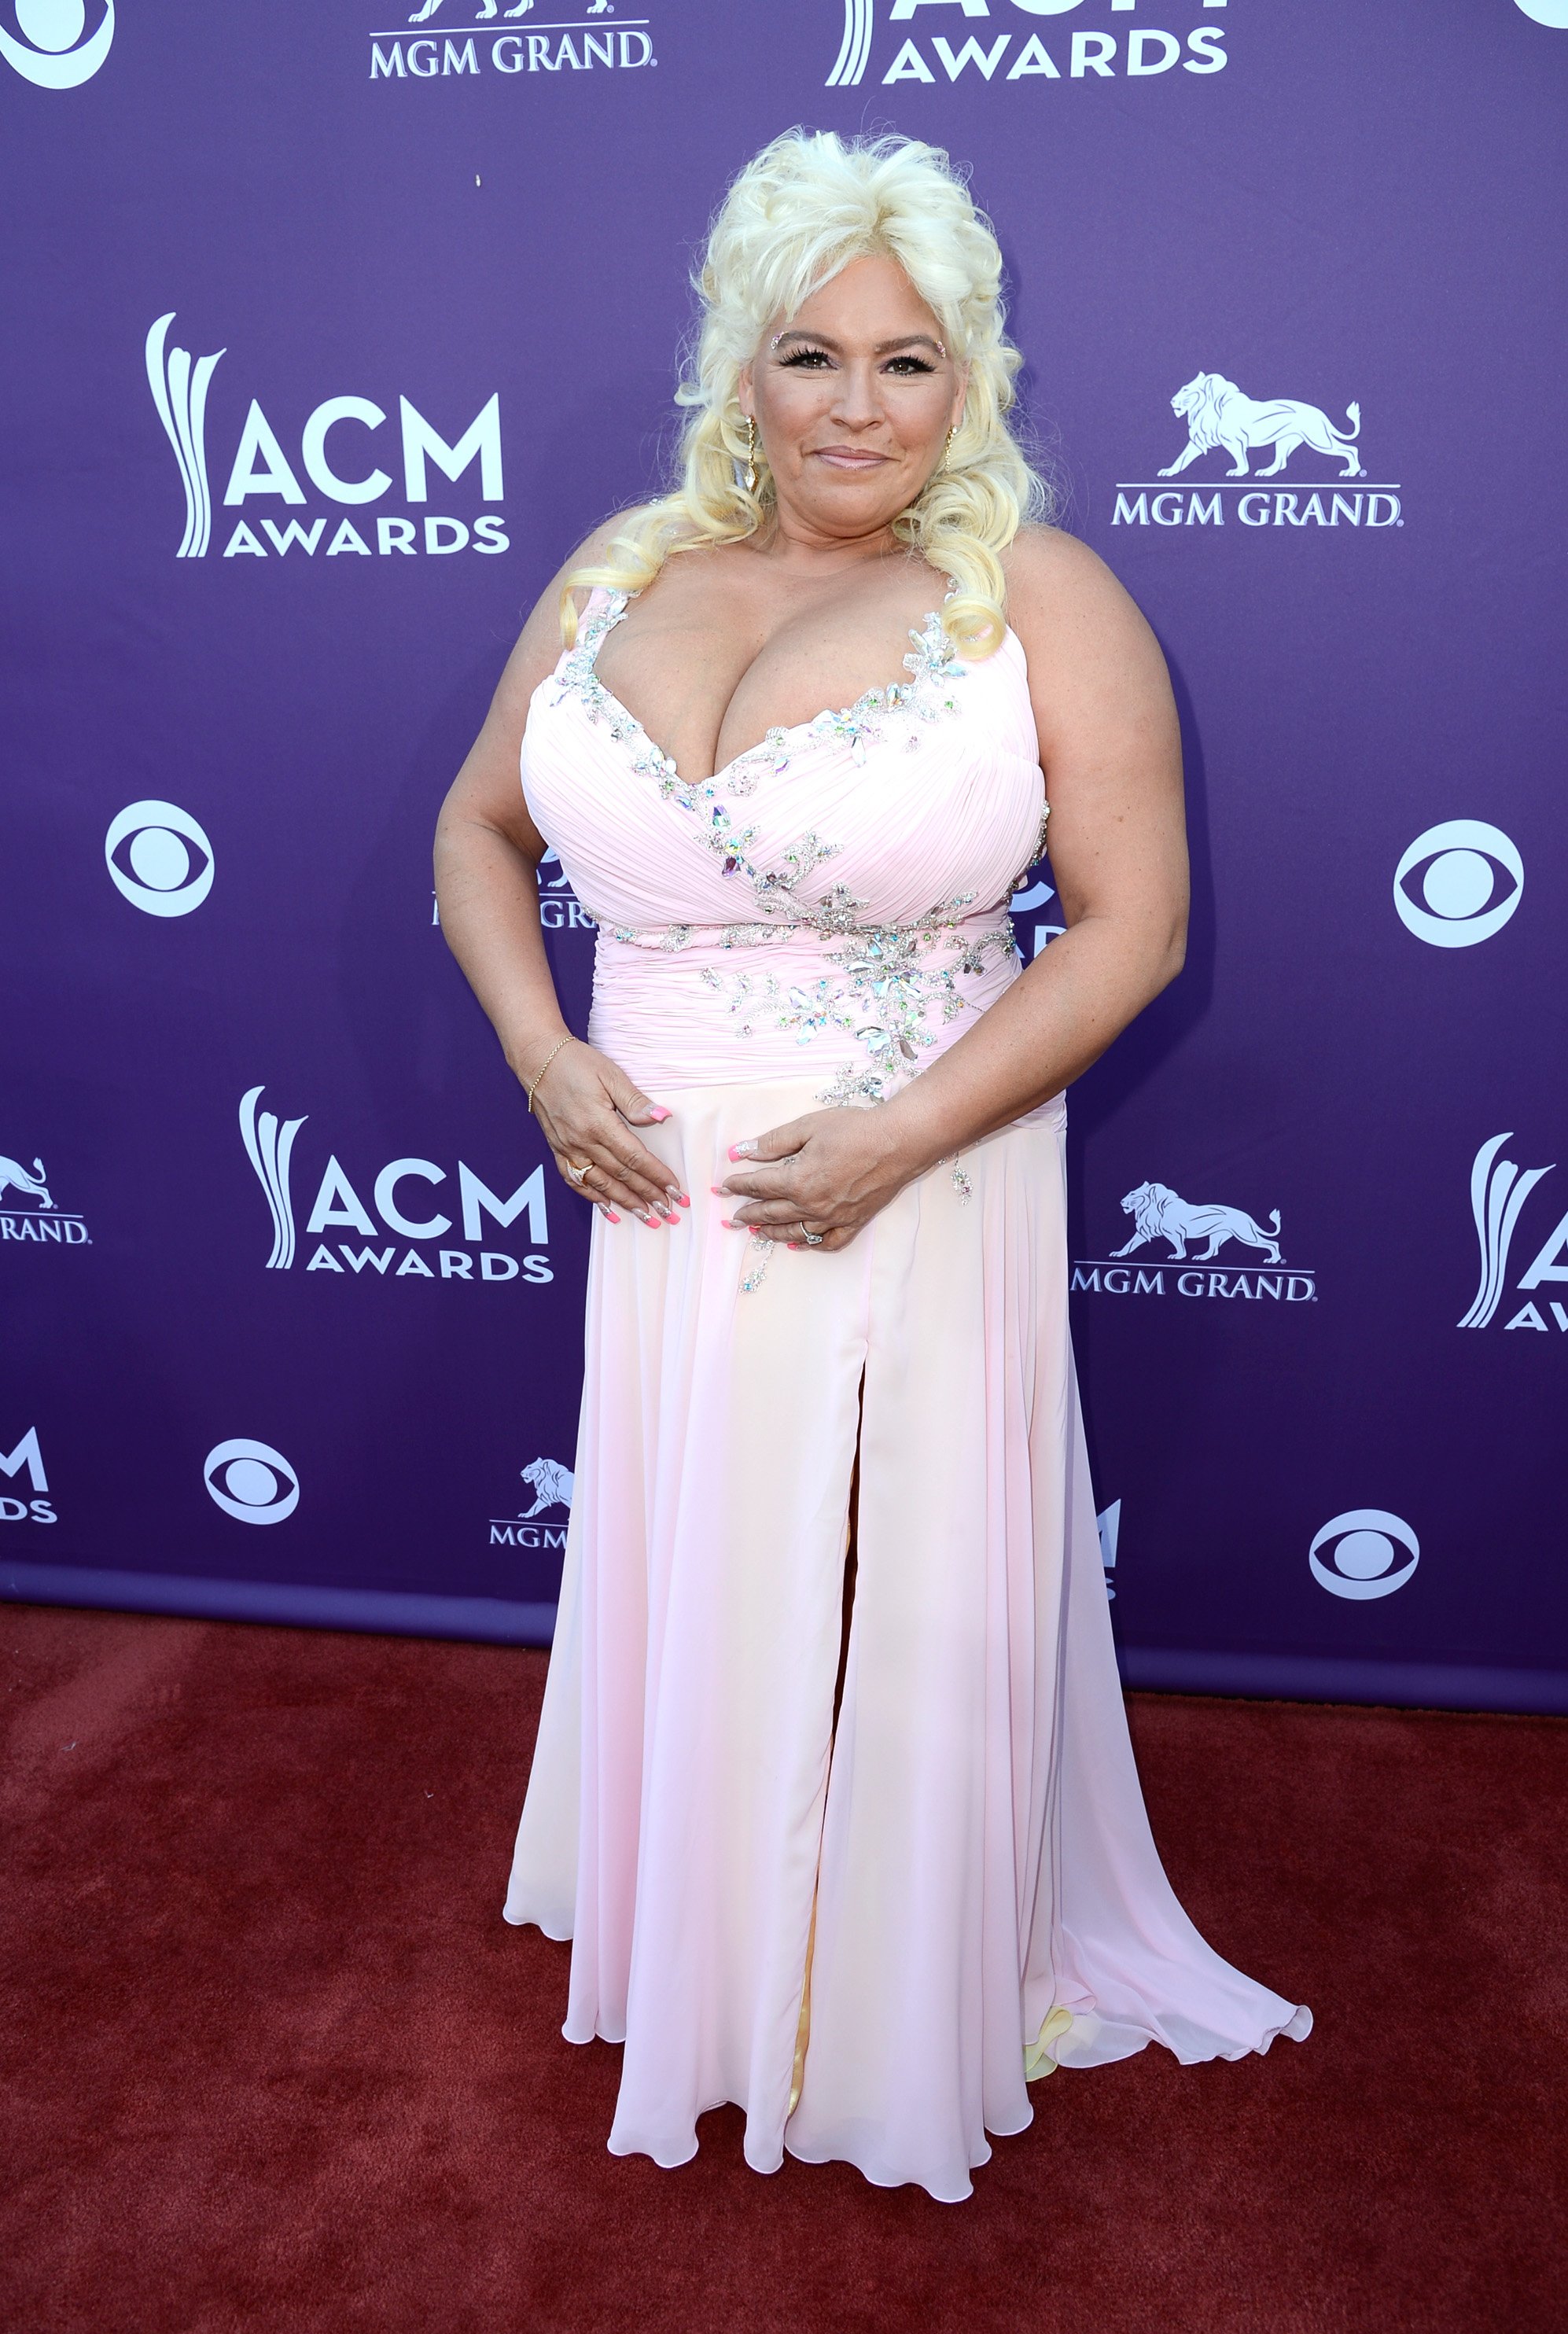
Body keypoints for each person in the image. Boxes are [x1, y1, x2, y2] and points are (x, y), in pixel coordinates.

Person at [433, 130, 1309, 2203]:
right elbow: (480, 835)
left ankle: (894, 1986)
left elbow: (1132, 928)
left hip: (917, 1167)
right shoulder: (614, 575)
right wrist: (546, 1063)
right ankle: (722, 1945)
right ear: (739, 369)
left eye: (904, 363)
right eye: (808, 354)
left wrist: (902, 1139)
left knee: (885, 1588)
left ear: (967, 378)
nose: (852, 406)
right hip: (655, 1187)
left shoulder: (1038, 599)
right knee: (712, 1560)